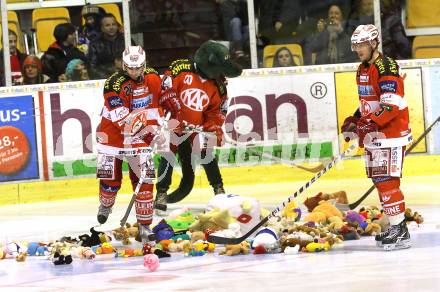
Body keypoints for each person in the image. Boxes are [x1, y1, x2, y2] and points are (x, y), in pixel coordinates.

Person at [341, 24, 412, 251]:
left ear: (373, 43)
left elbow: (390, 104)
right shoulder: (362, 69)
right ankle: (395, 226)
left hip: (389, 133)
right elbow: (369, 103)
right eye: (355, 45)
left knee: (387, 181)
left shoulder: (386, 66)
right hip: (376, 134)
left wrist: (369, 123)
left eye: (362, 44)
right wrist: (355, 119)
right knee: (380, 181)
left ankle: (400, 230)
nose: (358, 49)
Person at [154, 40, 243, 214]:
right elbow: (165, 91)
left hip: (196, 128)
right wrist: (176, 112)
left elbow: (217, 111)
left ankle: (219, 191)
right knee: (168, 153)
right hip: (173, 123)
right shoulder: (180, 68)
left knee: (207, 152)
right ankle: (161, 193)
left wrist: (214, 127)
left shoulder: (218, 85)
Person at [95, 45, 164, 243]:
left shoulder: (152, 77)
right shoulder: (113, 84)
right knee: (110, 179)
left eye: (138, 67)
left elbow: (161, 98)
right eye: (130, 68)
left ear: (144, 65)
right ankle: (106, 205)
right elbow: (122, 120)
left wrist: (168, 102)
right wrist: (148, 135)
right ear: (124, 65)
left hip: (140, 133)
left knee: (145, 179)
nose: (134, 72)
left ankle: (144, 225)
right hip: (112, 134)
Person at [88, 13, 126, 79]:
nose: (111, 27)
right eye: (107, 25)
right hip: (105, 80)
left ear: (117, 26)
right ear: (102, 28)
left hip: (126, 77)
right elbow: (92, 68)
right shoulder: (94, 44)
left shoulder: (126, 40)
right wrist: (112, 75)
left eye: (113, 24)